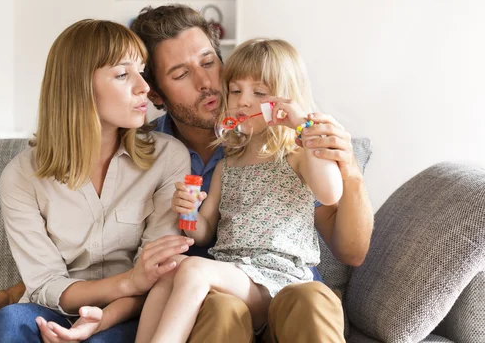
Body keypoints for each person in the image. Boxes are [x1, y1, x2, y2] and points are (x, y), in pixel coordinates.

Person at [0, 5, 374, 342]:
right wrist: (17, 292)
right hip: (197, 300)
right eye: (180, 74)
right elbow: (149, 253)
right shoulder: (165, 154)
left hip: (278, 287)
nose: (207, 83)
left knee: (305, 302)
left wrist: (347, 168)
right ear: (155, 93)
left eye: (209, 63)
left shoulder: (283, 144)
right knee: (214, 308)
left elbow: (349, 248)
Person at [0, 18, 196, 343]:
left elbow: (158, 275)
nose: (144, 86)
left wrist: (105, 314)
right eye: (123, 74)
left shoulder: (168, 158)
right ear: (78, 86)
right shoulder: (20, 177)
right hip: (57, 308)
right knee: (10, 322)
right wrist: (129, 281)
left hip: (127, 313)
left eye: (141, 71)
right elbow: (45, 284)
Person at [136, 37, 345, 343]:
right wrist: (189, 212)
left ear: (286, 102)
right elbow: (204, 233)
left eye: (259, 92)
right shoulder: (227, 164)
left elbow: (330, 194)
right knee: (171, 269)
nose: (243, 101)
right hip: (236, 280)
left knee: (194, 270)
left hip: (280, 281)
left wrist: (302, 126)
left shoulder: (297, 157)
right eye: (235, 90)